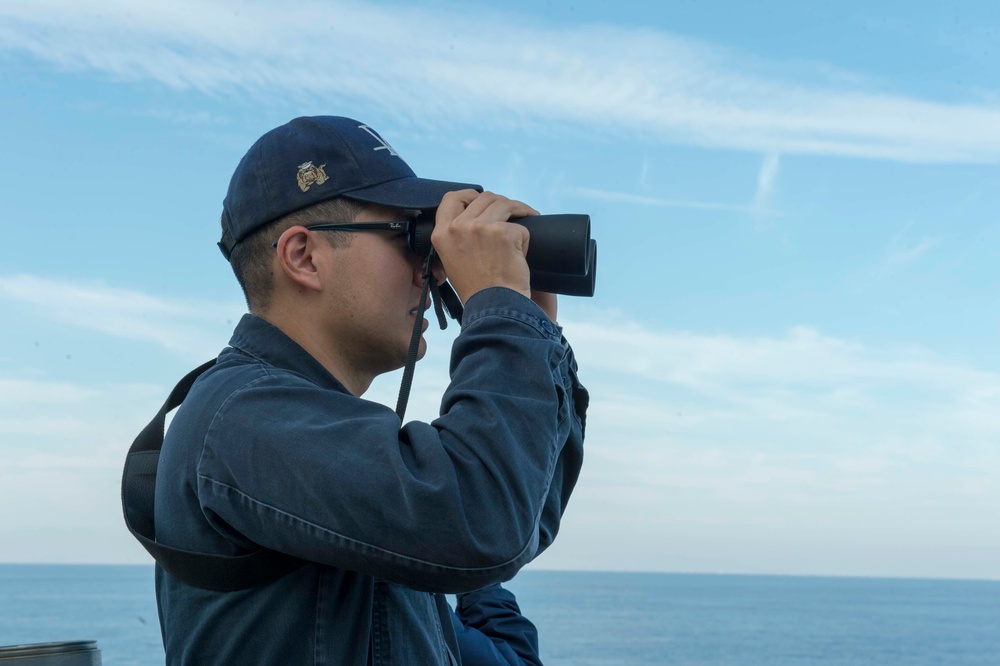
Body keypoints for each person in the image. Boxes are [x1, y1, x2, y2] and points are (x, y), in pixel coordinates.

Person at [150, 115, 588, 664]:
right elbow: (481, 520)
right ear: (304, 257)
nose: (432, 271)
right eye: (412, 239)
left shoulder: (299, 423)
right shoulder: (244, 416)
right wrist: (502, 314)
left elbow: (517, 523)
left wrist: (537, 332)